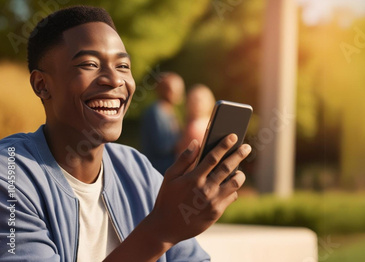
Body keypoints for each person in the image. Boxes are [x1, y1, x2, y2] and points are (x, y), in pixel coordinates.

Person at [0, 6, 251, 262]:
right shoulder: (9, 176)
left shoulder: (136, 170)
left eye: (123, 66)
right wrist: (161, 230)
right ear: (42, 85)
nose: (115, 79)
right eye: (90, 64)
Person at [141, 72, 184, 174]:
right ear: (164, 90)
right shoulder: (156, 112)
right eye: (176, 90)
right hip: (158, 170)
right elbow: (163, 145)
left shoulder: (170, 111)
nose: (179, 93)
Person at [176, 84, 216, 155]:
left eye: (200, 100)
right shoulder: (213, 124)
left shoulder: (195, 126)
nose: (197, 104)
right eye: (193, 100)